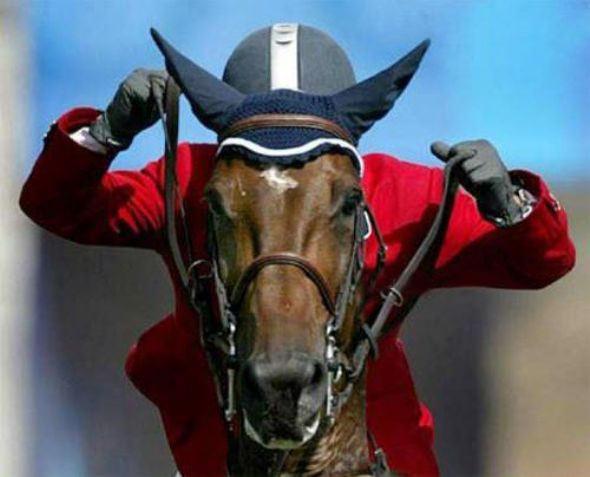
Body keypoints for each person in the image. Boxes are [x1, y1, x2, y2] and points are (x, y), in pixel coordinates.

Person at [20, 24, 575, 477]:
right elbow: (56, 206)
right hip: (216, 448)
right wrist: (106, 133)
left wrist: (509, 202)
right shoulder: (190, 184)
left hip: (371, 449)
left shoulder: (403, 197)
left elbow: (544, 261)